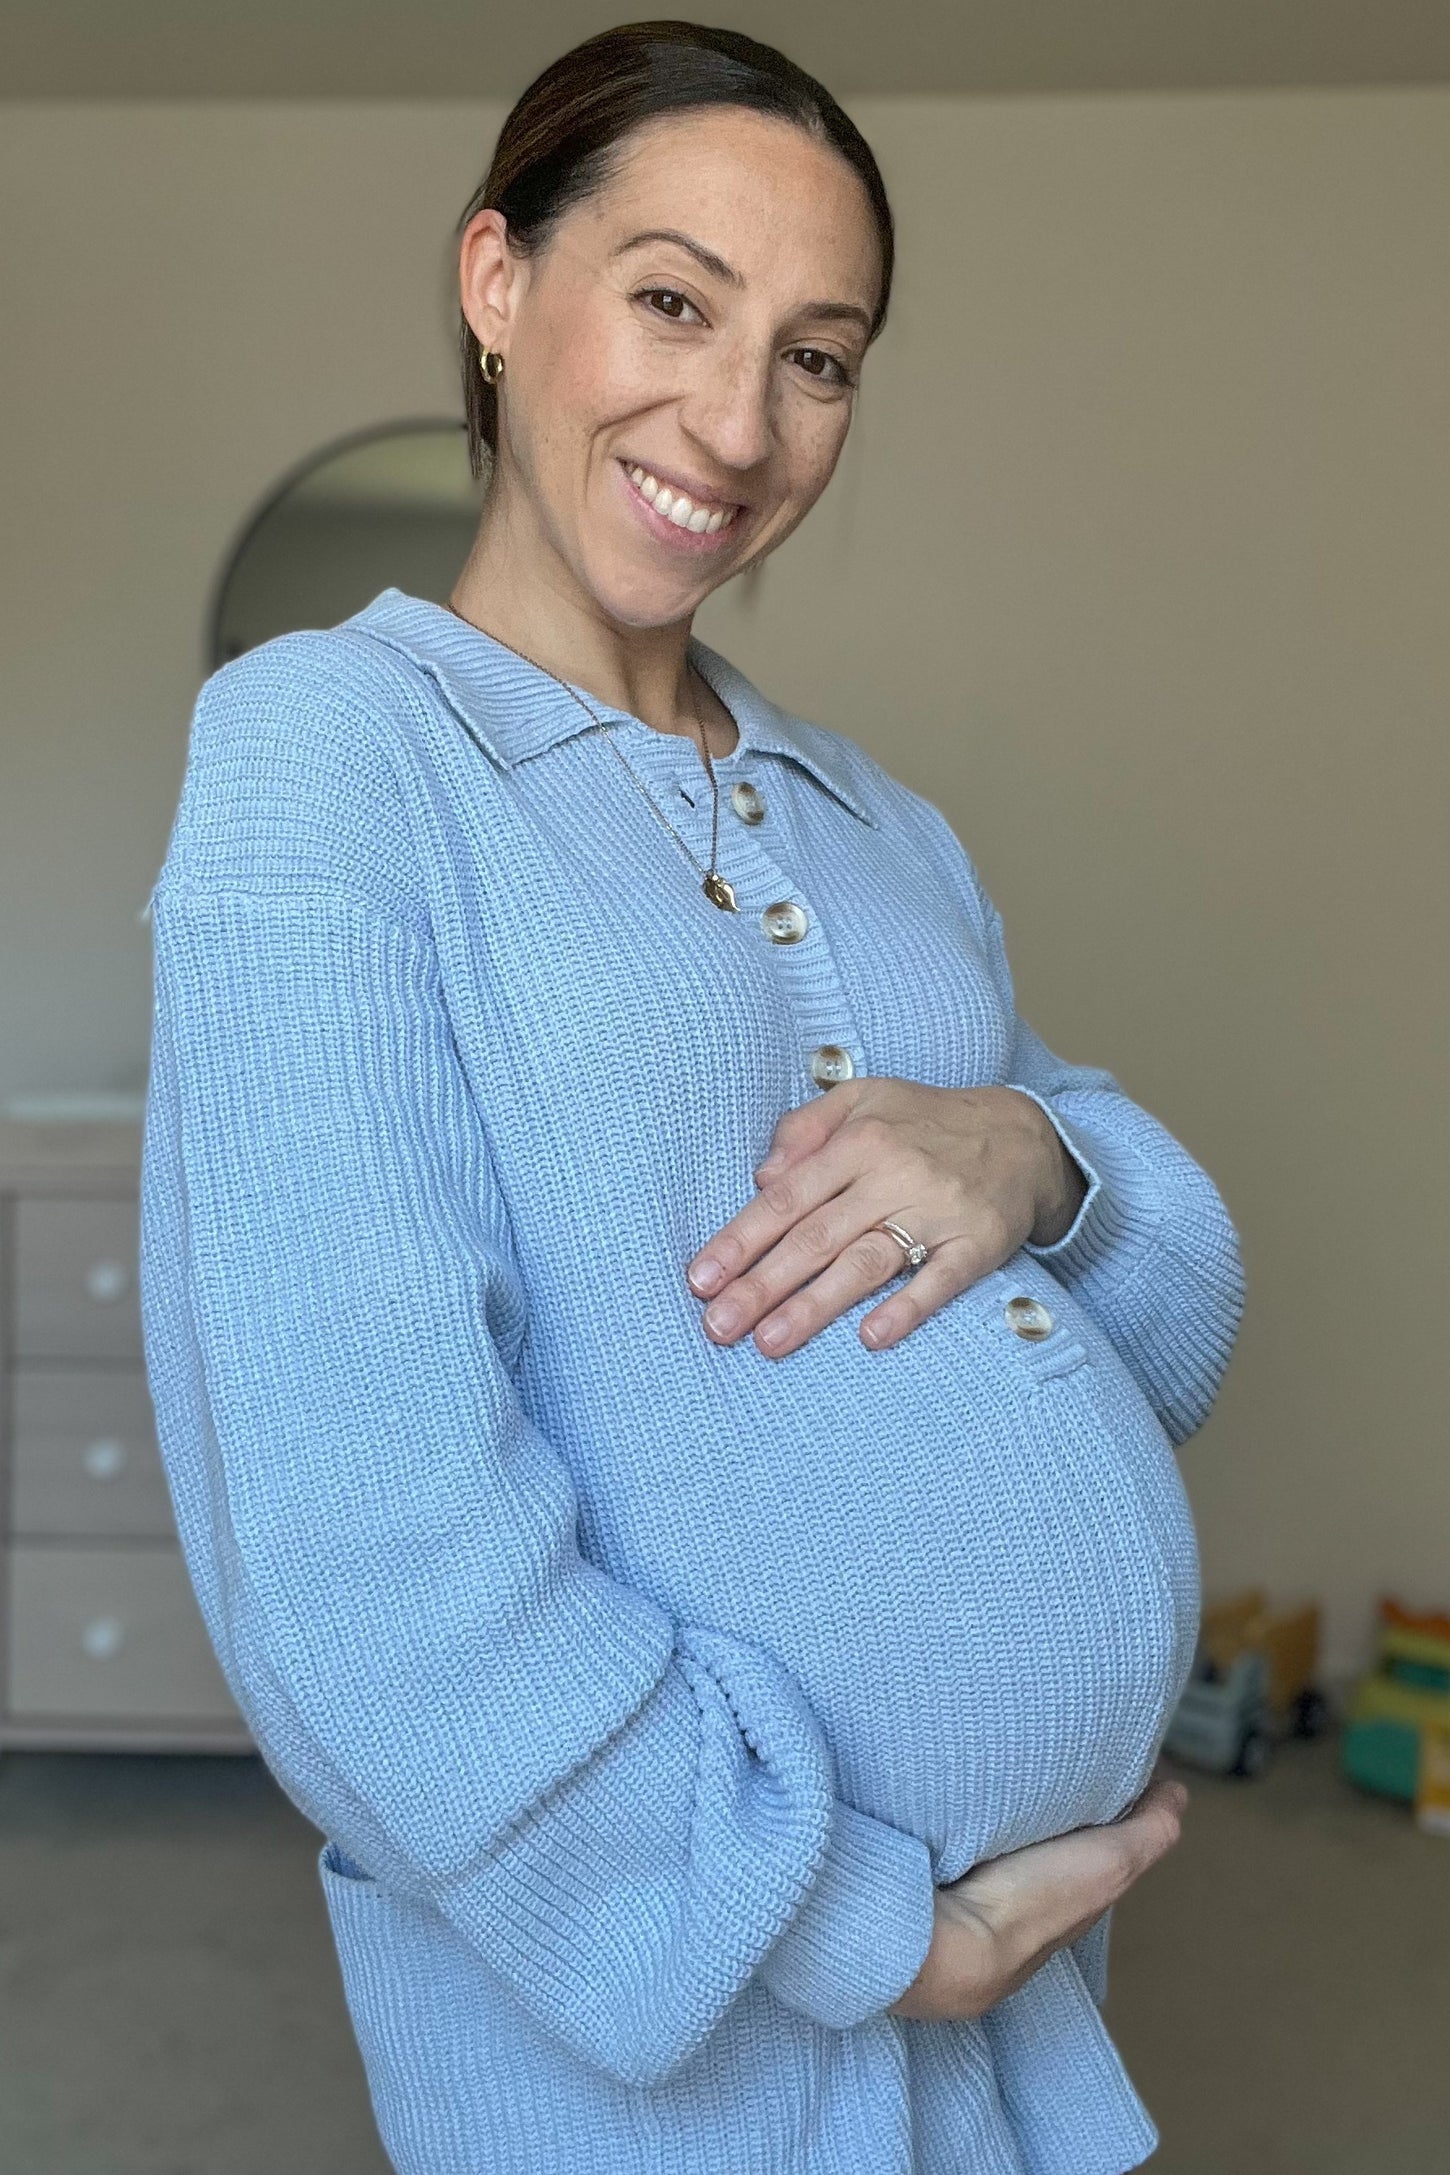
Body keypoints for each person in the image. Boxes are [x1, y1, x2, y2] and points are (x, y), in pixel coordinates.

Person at [138, 22, 1244, 2175]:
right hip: (676, 2053)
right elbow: (358, 1555)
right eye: (671, 301)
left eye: (818, 355)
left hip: (1013, 2030)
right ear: (494, 284)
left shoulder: (873, 823)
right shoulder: (335, 755)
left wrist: (1041, 1157)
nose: (736, 424)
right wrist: (852, 1922)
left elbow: (1171, 1310)